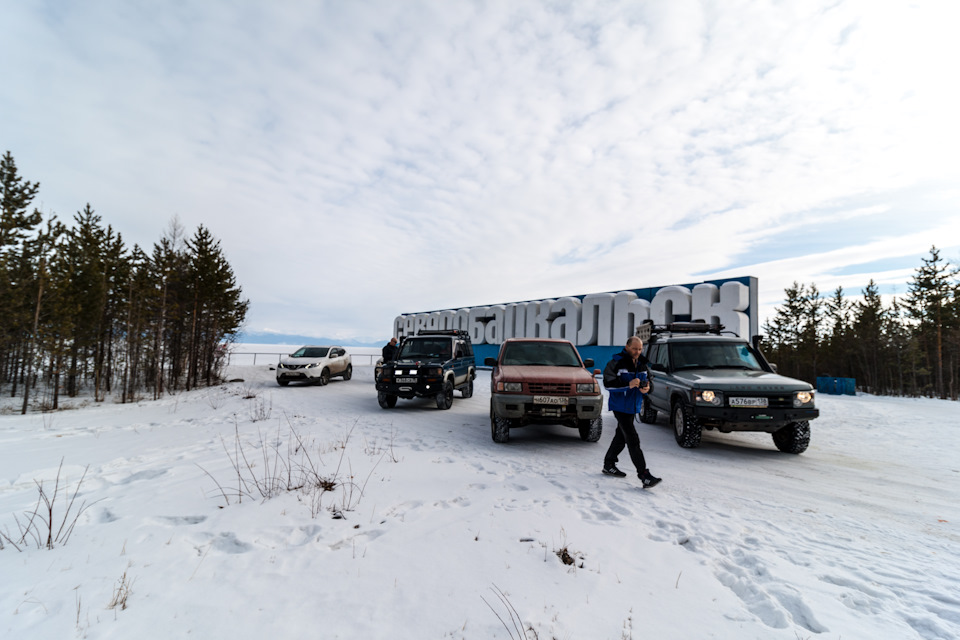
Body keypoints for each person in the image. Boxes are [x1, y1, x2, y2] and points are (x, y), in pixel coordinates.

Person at [602, 336, 662, 488]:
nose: (637, 352)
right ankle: (644, 475)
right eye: (634, 348)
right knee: (632, 439)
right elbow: (608, 384)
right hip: (619, 406)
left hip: (633, 406)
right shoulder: (615, 363)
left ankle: (609, 464)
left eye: (640, 349)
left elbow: (650, 383)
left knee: (621, 437)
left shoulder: (642, 364)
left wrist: (647, 388)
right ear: (627, 347)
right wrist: (628, 384)